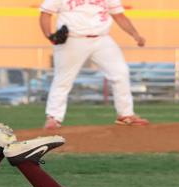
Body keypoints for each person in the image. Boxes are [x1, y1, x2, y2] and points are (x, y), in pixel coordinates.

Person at [37, 0, 149, 130]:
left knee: (120, 73)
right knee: (63, 79)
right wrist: (48, 35)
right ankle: (53, 117)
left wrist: (135, 35)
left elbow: (119, 15)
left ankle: (126, 114)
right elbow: (45, 13)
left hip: (102, 39)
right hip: (72, 39)